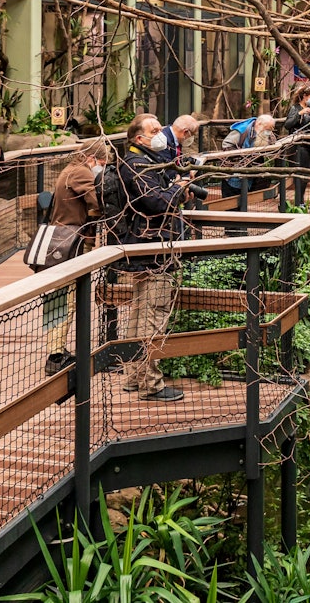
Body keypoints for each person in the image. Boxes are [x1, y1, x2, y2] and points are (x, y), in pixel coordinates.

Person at [117, 113, 190, 402]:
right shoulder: (138, 166)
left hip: (142, 247)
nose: (161, 133)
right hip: (152, 250)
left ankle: (134, 377)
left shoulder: (139, 162)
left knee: (139, 313)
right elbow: (156, 202)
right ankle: (152, 384)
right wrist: (179, 190)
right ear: (139, 138)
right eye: (155, 129)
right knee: (153, 315)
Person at [41, 140, 109, 376]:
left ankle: (55, 350)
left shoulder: (69, 169)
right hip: (72, 243)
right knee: (67, 299)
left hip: (61, 242)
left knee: (57, 298)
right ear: (92, 158)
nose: (101, 168)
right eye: (102, 163)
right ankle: (56, 356)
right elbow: (97, 203)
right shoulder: (81, 172)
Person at [283, 83, 310, 206]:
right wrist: (300, 114)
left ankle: (301, 201)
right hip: (298, 147)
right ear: (304, 96)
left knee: (306, 174)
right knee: (300, 175)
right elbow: (288, 124)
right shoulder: (295, 108)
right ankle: (298, 202)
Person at [220, 113, 276, 198]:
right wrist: (242, 155)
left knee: (244, 203)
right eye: (267, 129)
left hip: (250, 176)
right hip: (234, 175)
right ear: (259, 124)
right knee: (231, 204)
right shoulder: (242, 130)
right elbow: (226, 145)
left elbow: (272, 141)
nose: (268, 132)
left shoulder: (264, 131)